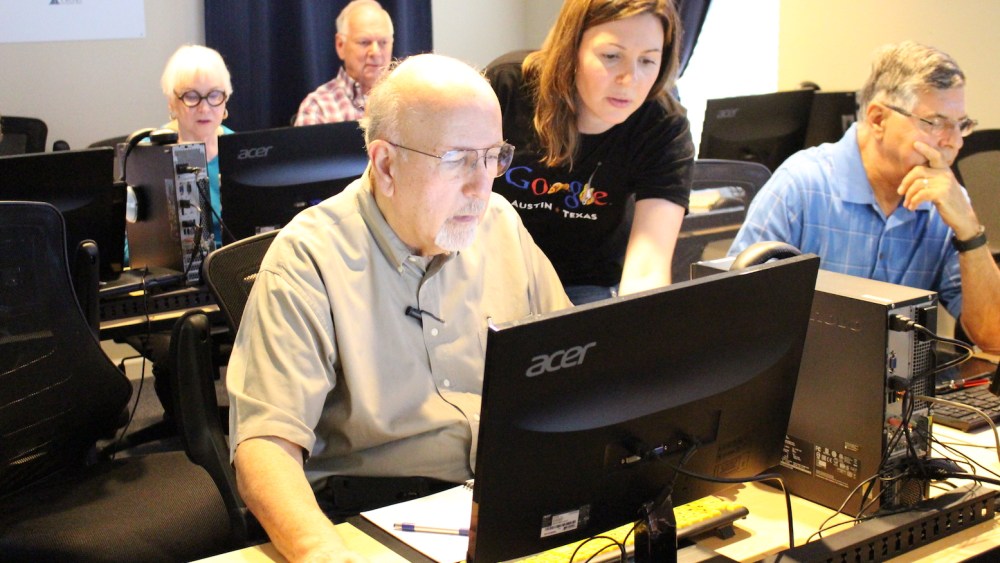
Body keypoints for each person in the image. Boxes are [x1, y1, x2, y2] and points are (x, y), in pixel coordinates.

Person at [227, 54, 572, 561]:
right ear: (386, 164)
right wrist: (322, 552)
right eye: (457, 159)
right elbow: (265, 448)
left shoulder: (500, 224)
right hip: (372, 512)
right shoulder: (309, 258)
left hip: (496, 496)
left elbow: (573, 359)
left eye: (492, 157)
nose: (482, 187)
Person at [729, 41, 1000, 353]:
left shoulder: (947, 202)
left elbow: (993, 338)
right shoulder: (801, 185)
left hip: (899, 395)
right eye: (935, 122)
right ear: (878, 120)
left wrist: (969, 231)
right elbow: (734, 309)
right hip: (801, 386)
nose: (953, 142)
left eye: (960, 125)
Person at [487, 0, 694, 305]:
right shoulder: (506, 87)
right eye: (612, 56)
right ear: (572, 49)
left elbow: (647, 267)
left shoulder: (662, 126)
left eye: (647, 61)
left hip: (585, 286)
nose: (630, 79)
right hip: (491, 275)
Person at [161, 44, 234, 246]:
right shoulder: (149, 153)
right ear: (172, 102)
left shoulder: (241, 150)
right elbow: (129, 245)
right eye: (191, 96)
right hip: (173, 272)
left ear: (225, 99)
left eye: (214, 95)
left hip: (236, 266)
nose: (204, 108)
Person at [293, 0, 394, 126]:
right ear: (340, 45)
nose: (375, 52)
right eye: (364, 42)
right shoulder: (318, 108)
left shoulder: (407, 99)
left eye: (383, 42)